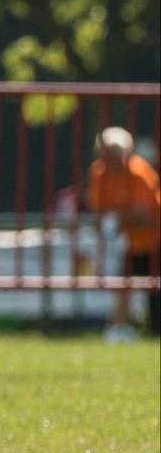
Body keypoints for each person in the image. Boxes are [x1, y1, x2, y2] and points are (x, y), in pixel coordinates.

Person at [84, 126, 161, 340]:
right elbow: (97, 207)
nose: (110, 161)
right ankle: (120, 329)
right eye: (106, 154)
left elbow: (143, 214)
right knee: (123, 285)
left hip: (155, 239)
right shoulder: (99, 172)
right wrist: (114, 221)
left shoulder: (139, 172)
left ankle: (153, 332)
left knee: (155, 289)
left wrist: (117, 219)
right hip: (130, 242)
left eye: (115, 155)